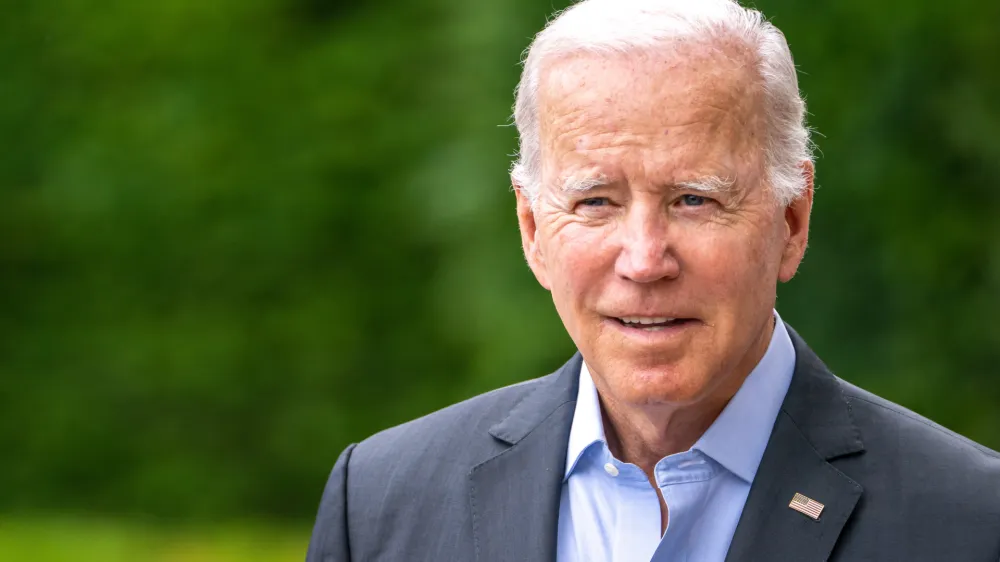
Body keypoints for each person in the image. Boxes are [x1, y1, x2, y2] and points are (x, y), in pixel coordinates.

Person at [305, 1, 1000, 560]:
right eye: (595, 202)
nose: (643, 260)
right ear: (532, 229)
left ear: (792, 221)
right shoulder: (379, 505)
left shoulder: (971, 523)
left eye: (694, 199)